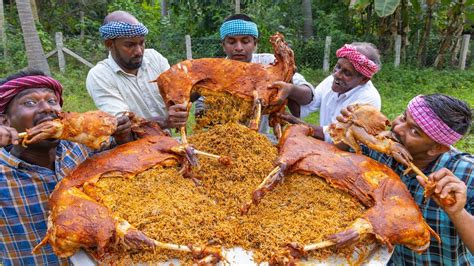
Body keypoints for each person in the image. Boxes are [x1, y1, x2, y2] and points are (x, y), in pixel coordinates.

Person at [0, 70, 133, 265]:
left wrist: (122, 136)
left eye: (52, 101)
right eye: (30, 102)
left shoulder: (79, 148)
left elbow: (122, 156)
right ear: (5, 122)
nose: (47, 108)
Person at [338, 94, 473, 265]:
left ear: (436, 148)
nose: (398, 129)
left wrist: (458, 213)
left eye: (414, 131)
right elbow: (337, 159)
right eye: (403, 117)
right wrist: (347, 128)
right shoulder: (378, 148)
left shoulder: (467, 174)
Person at [195, 14, 314, 134]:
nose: (239, 48)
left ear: (255, 44)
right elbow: (201, 113)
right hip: (223, 139)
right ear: (223, 45)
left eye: (245, 41)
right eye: (231, 42)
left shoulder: (270, 63)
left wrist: (290, 89)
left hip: (259, 141)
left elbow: (308, 95)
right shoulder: (214, 71)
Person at [86, 10, 188, 130]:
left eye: (142, 43)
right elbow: (124, 125)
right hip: (128, 147)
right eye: (130, 45)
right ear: (109, 44)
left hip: (166, 142)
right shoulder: (99, 76)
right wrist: (165, 122)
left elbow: (176, 95)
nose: (139, 51)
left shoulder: (154, 58)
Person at [288, 41, 382, 142]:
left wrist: (297, 123)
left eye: (347, 73)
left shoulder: (368, 100)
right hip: (325, 149)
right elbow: (303, 109)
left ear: (364, 80)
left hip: (348, 155)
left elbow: (339, 137)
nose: (337, 74)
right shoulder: (331, 81)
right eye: (338, 66)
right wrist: (287, 82)